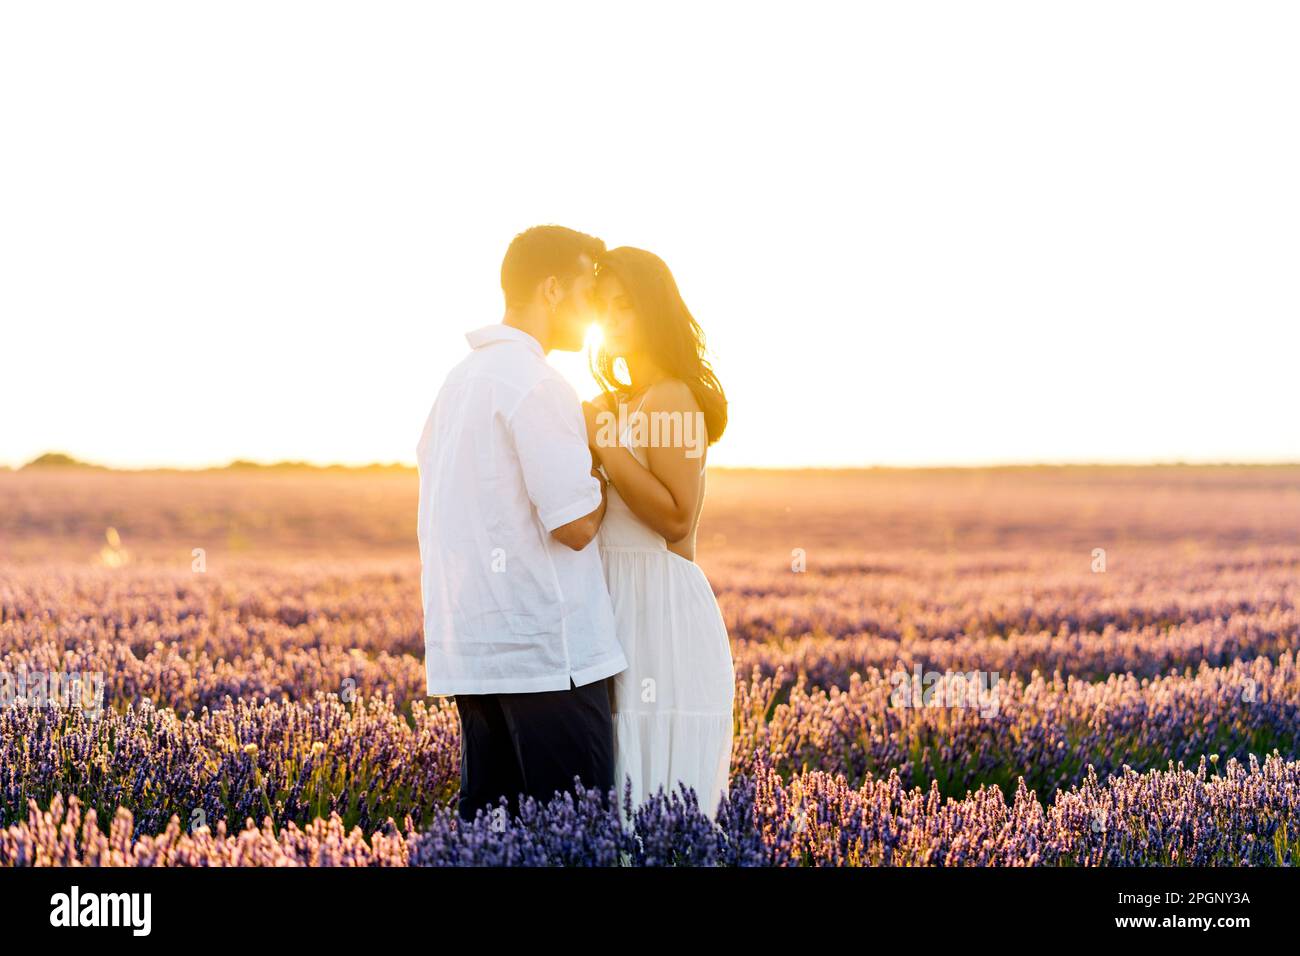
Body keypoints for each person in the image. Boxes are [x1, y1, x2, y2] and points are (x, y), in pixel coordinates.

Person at [416, 225, 628, 823]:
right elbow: (577, 525)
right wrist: (609, 467)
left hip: (476, 657)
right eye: (588, 289)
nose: (593, 308)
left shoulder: (456, 385)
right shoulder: (536, 383)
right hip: (548, 660)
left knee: (494, 841)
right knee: (576, 840)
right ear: (554, 289)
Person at [583, 246, 735, 821]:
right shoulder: (618, 404)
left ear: (652, 310)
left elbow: (677, 521)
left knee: (654, 789)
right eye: (604, 307)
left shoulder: (671, 397)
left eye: (624, 306)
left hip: (661, 611)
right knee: (621, 782)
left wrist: (606, 442)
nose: (612, 320)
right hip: (614, 604)